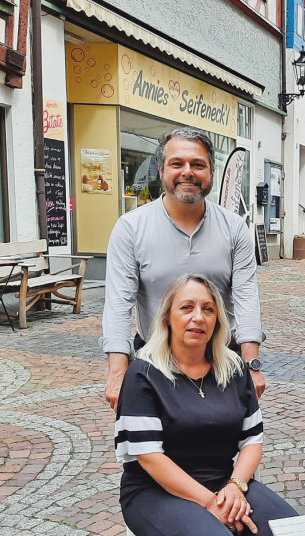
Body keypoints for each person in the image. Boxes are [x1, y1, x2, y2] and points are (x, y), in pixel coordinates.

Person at [116, 273, 303, 536]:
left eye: (207, 308)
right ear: (167, 316)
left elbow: (252, 440)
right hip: (154, 490)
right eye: (186, 307)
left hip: (223, 480)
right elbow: (149, 457)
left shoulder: (233, 367)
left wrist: (235, 486)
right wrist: (209, 502)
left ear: (218, 319)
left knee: (287, 535)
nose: (197, 317)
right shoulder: (143, 372)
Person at [102, 127, 265, 412]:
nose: (187, 172)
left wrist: (252, 363)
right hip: (154, 360)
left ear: (210, 172)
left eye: (198, 164)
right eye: (177, 163)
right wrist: (118, 371)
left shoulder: (235, 228)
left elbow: (246, 298)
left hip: (221, 359)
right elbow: (118, 304)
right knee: (149, 449)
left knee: (223, 447)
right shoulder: (130, 228)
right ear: (162, 169)